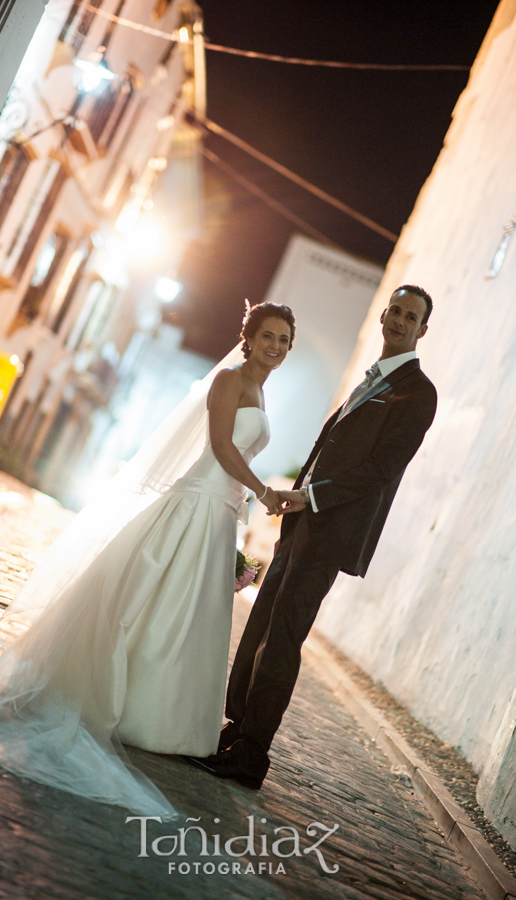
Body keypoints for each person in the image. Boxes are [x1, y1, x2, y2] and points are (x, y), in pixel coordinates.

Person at [0, 301, 295, 814]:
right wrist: (262, 491)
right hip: (195, 503)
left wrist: (242, 505)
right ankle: (122, 705)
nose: (275, 347)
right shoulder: (230, 381)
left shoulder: (261, 389)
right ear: (250, 337)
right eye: (269, 336)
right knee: (149, 600)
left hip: (219, 516)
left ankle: (171, 719)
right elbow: (218, 446)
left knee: (192, 616)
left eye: (284, 340)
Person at [189, 285, 437, 789]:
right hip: (302, 523)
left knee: (283, 640)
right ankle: (234, 732)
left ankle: (252, 755)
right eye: (395, 311)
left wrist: (312, 496)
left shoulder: (418, 393)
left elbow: (380, 470)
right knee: (261, 627)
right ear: (385, 314)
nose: (399, 321)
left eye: (411, 317)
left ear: (421, 330)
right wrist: (296, 499)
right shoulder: (372, 378)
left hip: (332, 532)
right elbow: (333, 446)